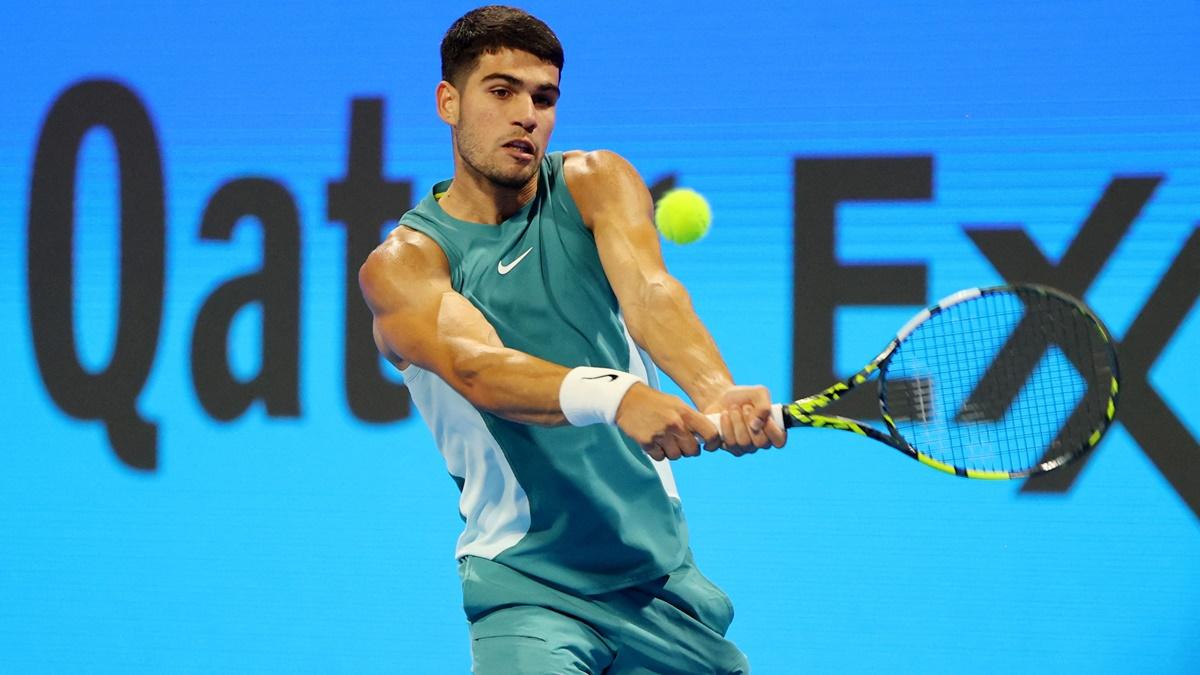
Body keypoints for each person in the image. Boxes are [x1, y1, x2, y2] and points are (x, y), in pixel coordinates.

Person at [358, 6, 785, 673]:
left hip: (661, 584)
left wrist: (714, 386)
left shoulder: (595, 180)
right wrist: (614, 395)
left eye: (544, 97)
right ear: (449, 102)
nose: (526, 113)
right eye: (501, 91)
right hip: (530, 587)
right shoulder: (405, 264)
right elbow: (479, 368)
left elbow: (651, 293)